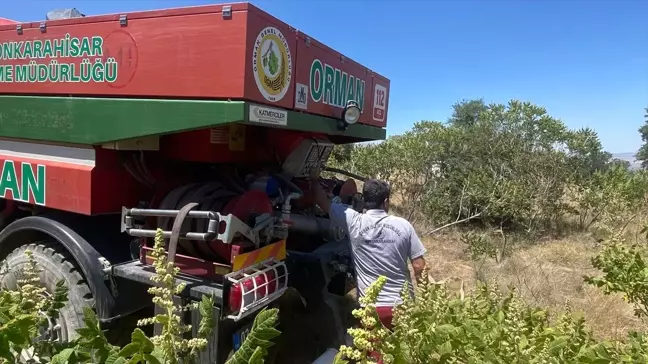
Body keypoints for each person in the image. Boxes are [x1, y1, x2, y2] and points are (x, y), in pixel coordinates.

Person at [309, 167, 427, 329]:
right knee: (403, 351)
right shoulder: (404, 226)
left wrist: (314, 179)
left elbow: (323, 202)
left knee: (372, 352)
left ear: (364, 200)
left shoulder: (353, 221)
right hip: (402, 305)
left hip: (371, 308)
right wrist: (426, 299)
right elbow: (419, 266)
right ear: (386, 202)